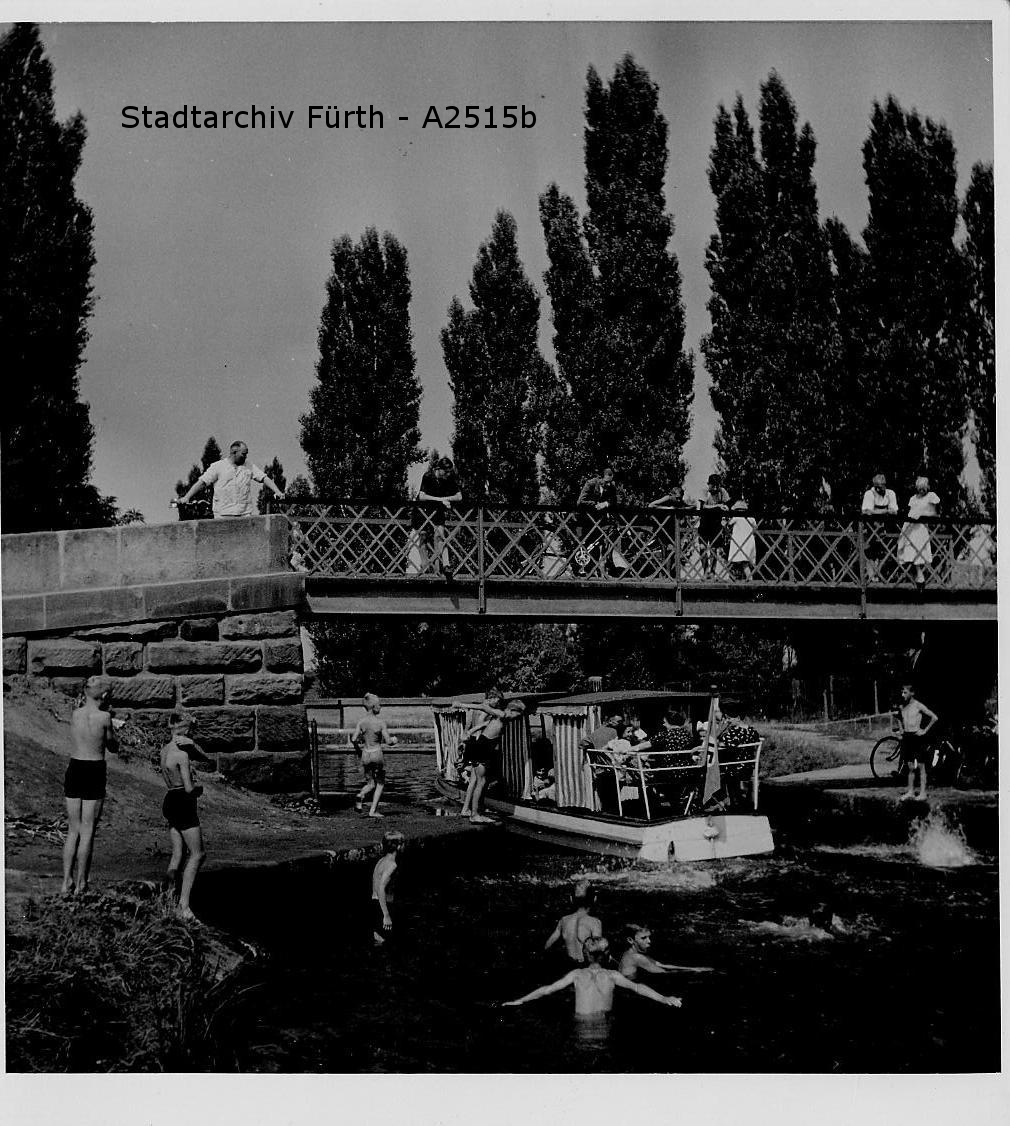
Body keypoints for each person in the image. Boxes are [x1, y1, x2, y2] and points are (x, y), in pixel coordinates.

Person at [503, 935, 682, 1018]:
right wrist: (664, 998)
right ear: (607, 955)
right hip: (603, 1024)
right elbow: (638, 988)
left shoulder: (576, 974)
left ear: (585, 955)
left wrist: (520, 1000)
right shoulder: (613, 975)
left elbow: (546, 990)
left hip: (581, 1025)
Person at [62, 676, 117, 896]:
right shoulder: (105, 717)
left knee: (73, 829)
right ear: (104, 695)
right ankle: (82, 882)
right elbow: (112, 746)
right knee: (88, 830)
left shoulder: (76, 714)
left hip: (75, 767)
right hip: (94, 770)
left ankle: (66, 881)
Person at [159, 711, 207, 920]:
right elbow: (188, 788)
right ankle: (184, 906)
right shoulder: (182, 755)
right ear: (186, 730)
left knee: (178, 854)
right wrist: (199, 789)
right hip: (183, 802)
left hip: (169, 799)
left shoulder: (164, 750)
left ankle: (168, 899)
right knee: (198, 854)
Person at [454, 695, 526, 823]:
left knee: (482, 782)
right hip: (483, 748)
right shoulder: (502, 714)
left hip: (484, 747)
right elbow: (483, 707)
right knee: (481, 782)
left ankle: (477, 812)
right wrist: (461, 705)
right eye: (518, 715)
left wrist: (471, 731)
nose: (517, 719)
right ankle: (474, 815)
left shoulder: (503, 718)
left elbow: (486, 723)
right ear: (512, 710)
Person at [172, 440, 285, 518]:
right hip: (223, 515)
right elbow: (202, 482)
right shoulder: (218, 466)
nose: (245, 457)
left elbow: (264, 478)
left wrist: (278, 492)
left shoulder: (249, 466)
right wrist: (187, 497)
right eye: (243, 454)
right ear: (234, 452)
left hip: (244, 514)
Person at [412, 456, 462, 577]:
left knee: (440, 535)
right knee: (423, 536)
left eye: (449, 472)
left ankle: (446, 565)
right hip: (422, 510)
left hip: (437, 510)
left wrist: (445, 499)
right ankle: (425, 566)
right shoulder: (428, 476)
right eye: (446, 471)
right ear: (439, 469)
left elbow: (459, 496)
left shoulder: (448, 478)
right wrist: (440, 500)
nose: (448, 474)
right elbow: (422, 496)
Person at [350, 692, 399, 817]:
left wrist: (358, 750)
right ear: (373, 707)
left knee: (370, 783)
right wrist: (394, 740)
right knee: (380, 782)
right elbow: (388, 742)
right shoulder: (380, 722)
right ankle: (373, 811)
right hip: (376, 753)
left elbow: (354, 739)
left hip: (365, 754)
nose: (380, 707)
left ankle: (361, 794)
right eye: (379, 705)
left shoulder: (361, 722)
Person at [618, 924, 714, 980]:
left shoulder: (632, 953)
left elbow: (662, 965)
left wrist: (694, 968)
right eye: (644, 938)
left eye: (649, 937)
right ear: (630, 940)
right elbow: (664, 973)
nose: (649, 941)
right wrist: (693, 972)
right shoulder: (637, 957)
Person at [896, 683, 939, 802]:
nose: (902, 695)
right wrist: (901, 731)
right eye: (902, 692)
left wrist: (924, 731)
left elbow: (934, 717)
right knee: (910, 766)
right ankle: (910, 791)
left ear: (912, 693)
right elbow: (899, 718)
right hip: (907, 737)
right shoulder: (902, 706)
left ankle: (923, 793)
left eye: (905, 692)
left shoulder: (918, 705)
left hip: (917, 737)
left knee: (921, 765)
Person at [899, 477, 941, 591]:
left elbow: (934, 513)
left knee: (919, 551)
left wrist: (921, 514)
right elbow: (910, 512)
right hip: (909, 526)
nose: (922, 491)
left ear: (927, 487)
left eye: (924, 488)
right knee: (909, 551)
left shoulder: (931, 496)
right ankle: (918, 578)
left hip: (921, 527)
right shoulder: (913, 498)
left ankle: (920, 578)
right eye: (920, 488)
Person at [576, 466, 619, 577]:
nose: (608, 485)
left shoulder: (611, 486)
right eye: (606, 482)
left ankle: (603, 568)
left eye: (610, 482)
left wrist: (606, 504)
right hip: (586, 518)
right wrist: (595, 505)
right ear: (600, 478)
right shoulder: (591, 484)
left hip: (599, 520)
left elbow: (614, 501)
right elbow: (580, 501)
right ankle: (583, 569)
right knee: (587, 544)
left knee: (602, 540)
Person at [544, 883, 603, 963]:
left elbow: (547, 945)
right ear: (595, 899)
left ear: (571, 899)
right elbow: (597, 951)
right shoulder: (595, 922)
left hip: (568, 965)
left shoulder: (563, 920)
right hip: (584, 966)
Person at [860, 473, 898, 583]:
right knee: (869, 552)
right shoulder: (869, 494)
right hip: (870, 527)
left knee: (883, 552)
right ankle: (871, 578)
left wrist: (877, 511)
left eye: (881, 487)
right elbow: (867, 511)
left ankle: (880, 576)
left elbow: (894, 511)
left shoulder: (890, 493)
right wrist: (884, 511)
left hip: (886, 528)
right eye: (877, 487)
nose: (879, 489)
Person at [371, 830, 405, 946]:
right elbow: (381, 888)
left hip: (376, 903)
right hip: (382, 906)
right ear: (399, 846)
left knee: (379, 939)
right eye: (403, 843)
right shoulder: (392, 865)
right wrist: (386, 914)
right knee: (386, 942)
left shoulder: (382, 860)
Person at [697, 474, 730, 578]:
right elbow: (702, 507)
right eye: (713, 485)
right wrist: (718, 506)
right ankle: (705, 570)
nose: (715, 488)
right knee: (702, 547)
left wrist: (726, 508)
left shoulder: (722, 491)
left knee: (714, 549)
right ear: (709, 484)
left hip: (716, 523)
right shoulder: (704, 491)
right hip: (704, 523)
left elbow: (728, 503)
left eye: (717, 485)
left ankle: (712, 572)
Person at [727, 498, 757, 580]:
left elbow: (728, 524)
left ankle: (746, 579)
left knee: (736, 562)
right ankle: (748, 578)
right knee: (745, 563)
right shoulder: (751, 518)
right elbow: (755, 528)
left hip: (739, 541)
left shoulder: (736, 517)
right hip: (749, 541)